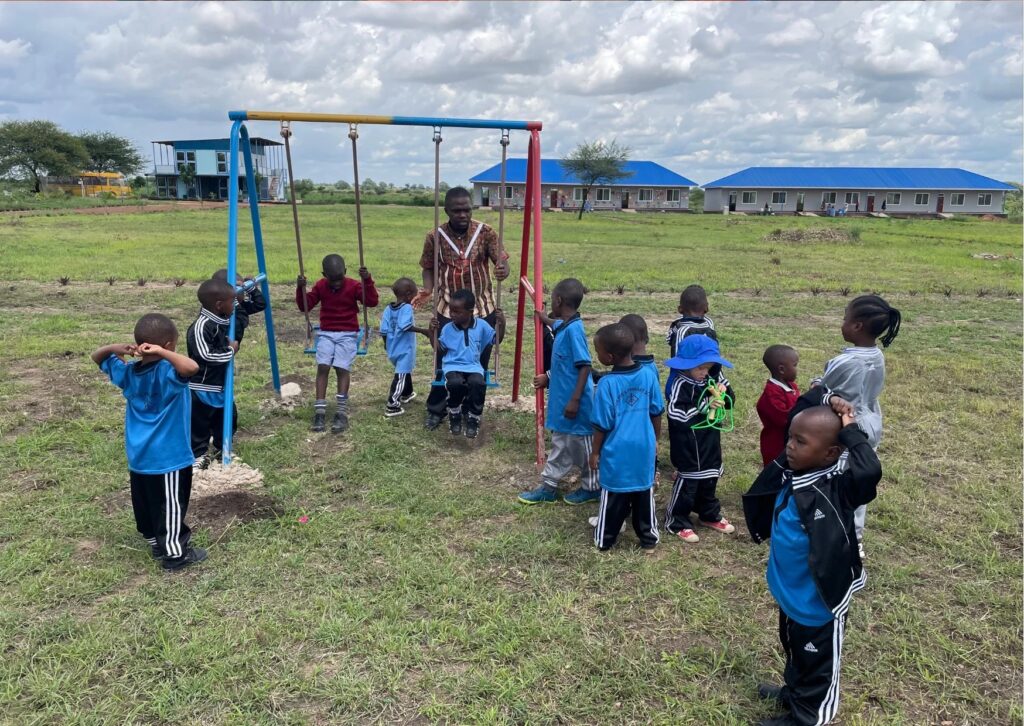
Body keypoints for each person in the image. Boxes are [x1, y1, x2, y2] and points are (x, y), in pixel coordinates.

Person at [742, 406, 881, 726]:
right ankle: (795, 693)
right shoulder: (794, 470)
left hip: (819, 602)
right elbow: (803, 405)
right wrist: (830, 397)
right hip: (792, 592)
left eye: (800, 441)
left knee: (818, 662)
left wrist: (851, 430)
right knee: (795, 651)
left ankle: (810, 716)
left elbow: (868, 470)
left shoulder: (838, 486)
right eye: (790, 438)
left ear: (830, 453)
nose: (789, 445)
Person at [788, 295, 900, 558]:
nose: (842, 323)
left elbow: (824, 388)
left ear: (857, 326)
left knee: (837, 479)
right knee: (856, 479)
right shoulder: (877, 355)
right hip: (870, 422)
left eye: (845, 318)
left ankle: (838, 532)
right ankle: (856, 537)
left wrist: (817, 386)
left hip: (844, 426)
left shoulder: (847, 361)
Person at [93, 313, 207, 571]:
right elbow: (191, 368)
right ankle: (175, 554)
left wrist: (113, 348)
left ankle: (156, 542)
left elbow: (97, 356)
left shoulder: (129, 372)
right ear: (168, 346)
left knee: (146, 502)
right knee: (171, 504)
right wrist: (164, 353)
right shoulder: (169, 371)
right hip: (168, 457)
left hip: (139, 455)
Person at [415, 187, 510, 428]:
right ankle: (438, 409)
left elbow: (501, 263)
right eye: (457, 210)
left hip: (481, 308)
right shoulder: (434, 236)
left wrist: (503, 270)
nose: (462, 215)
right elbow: (428, 266)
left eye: (466, 209)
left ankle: (471, 409)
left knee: (479, 362)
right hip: (448, 308)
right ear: (447, 210)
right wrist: (428, 289)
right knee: (444, 362)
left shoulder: (485, 232)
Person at [518, 278, 600, 506]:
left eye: (552, 299)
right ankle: (549, 486)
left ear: (559, 300)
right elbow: (564, 364)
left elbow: (584, 365)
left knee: (583, 449)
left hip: (576, 407)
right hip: (561, 405)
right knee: (560, 444)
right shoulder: (563, 326)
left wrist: (574, 400)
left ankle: (592, 487)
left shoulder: (574, 331)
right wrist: (544, 318)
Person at [589, 323, 665, 551]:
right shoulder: (648, 375)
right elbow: (656, 412)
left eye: (598, 351)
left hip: (617, 450)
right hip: (644, 447)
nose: (597, 355)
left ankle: (605, 540)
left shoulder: (606, 384)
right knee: (644, 493)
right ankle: (649, 540)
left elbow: (602, 424)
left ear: (609, 357)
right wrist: (655, 441)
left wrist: (594, 452)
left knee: (612, 495)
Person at [664, 334, 736, 543]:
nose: (705, 373)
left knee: (709, 478)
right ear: (686, 365)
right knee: (689, 482)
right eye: (700, 368)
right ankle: (677, 520)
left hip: (710, 440)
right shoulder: (680, 384)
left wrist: (724, 393)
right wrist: (703, 408)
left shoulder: (713, 377)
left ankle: (708, 513)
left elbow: (730, 402)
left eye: (708, 367)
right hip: (688, 443)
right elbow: (676, 414)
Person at [296, 253, 379, 434]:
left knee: (341, 367)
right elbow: (305, 306)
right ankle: (320, 411)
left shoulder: (353, 285)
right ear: (324, 275)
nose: (336, 283)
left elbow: (372, 302)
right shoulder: (320, 286)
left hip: (348, 334)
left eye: (339, 278)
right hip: (326, 333)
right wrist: (300, 289)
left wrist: (367, 281)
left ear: (346, 272)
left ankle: (341, 412)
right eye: (332, 280)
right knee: (323, 366)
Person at [427, 289, 505, 439]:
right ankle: (454, 412)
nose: (452, 314)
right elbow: (439, 349)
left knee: (478, 383)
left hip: (473, 365)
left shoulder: (481, 326)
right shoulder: (448, 328)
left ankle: (474, 417)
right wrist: (432, 332)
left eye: (457, 312)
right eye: (451, 311)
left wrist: (502, 324)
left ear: (470, 312)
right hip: (452, 365)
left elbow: (497, 340)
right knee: (455, 384)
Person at [186, 278, 238, 469]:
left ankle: (220, 447)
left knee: (228, 418)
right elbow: (205, 355)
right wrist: (231, 350)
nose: (234, 305)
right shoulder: (201, 326)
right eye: (232, 302)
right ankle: (197, 456)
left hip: (220, 386)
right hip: (201, 387)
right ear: (218, 305)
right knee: (199, 424)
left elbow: (236, 304)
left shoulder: (222, 319)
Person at [380, 277, 430, 417]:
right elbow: (405, 326)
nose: (416, 295)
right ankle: (392, 404)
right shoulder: (407, 308)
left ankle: (407, 393)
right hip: (405, 350)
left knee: (404, 371)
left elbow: (383, 330)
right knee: (400, 375)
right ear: (409, 294)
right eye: (415, 292)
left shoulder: (388, 309)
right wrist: (424, 331)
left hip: (392, 348)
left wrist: (387, 345)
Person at [665, 284, 717, 399]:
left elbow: (670, 343)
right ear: (706, 308)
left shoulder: (678, 327)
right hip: (706, 374)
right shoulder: (710, 324)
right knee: (704, 401)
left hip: (683, 376)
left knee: (679, 399)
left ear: (680, 309)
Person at [757, 345, 801, 467]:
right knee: (777, 474)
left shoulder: (792, 386)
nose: (797, 369)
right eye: (795, 365)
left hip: (790, 442)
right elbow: (785, 418)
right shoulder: (772, 395)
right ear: (781, 369)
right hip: (776, 445)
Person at [212, 268, 265, 346]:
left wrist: (250, 288)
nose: (241, 292)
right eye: (238, 289)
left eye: (242, 289)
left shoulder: (239, 305)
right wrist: (232, 299)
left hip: (231, 351)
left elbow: (260, 304)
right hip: (218, 353)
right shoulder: (216, 311)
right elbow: (242, 320)